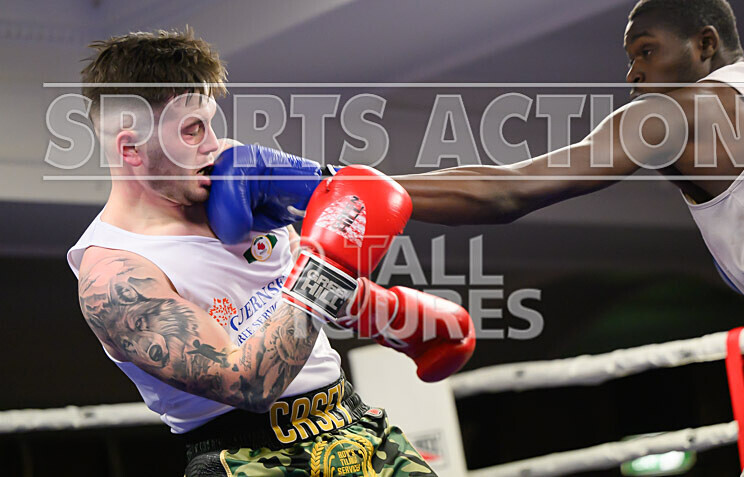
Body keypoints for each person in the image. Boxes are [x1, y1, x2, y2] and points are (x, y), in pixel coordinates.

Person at [390, 0, 744, 476]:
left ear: (705, 44)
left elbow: (509, 190)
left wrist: (342, 185)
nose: (633, 74)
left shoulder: (680, 110)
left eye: (647, 50)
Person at [67, 29, 474, 477]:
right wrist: (328, 266)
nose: (212, 143)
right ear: (132, 149)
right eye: (191, 129)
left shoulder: (227, 194)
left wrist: (395, 316)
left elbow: (290, 291)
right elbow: (248, 383)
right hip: (251, 459)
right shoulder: (113, 274)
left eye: (210, 122)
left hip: (353, 422)